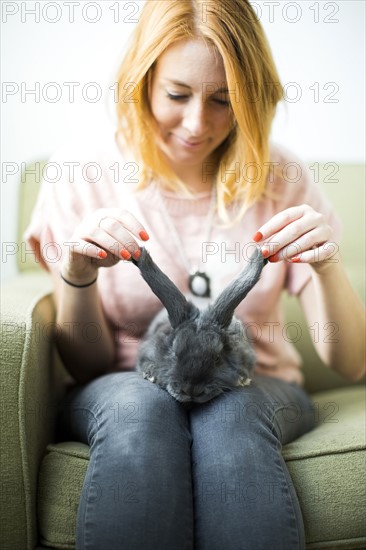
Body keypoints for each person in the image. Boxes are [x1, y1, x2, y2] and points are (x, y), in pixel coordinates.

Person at [25, 1, 365, 549]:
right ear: (144, 82)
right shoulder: (81, 174)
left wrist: (327, 266)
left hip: (258, 385)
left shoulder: (281, 176)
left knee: (229, 413)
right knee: (142, 408)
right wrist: (78, 272)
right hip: (123, 384)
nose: (196, 124)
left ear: (252, 97)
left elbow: (349, 362)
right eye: (178, 95)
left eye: (224, 101)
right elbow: (84, 361)